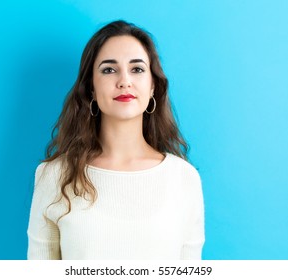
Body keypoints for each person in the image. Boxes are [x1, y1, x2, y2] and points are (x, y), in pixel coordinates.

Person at [27, 20, 205, 260]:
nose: (124, 81)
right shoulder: (53, 175)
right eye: (109, 70)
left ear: (153, 86)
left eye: (137, 69)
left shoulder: (183, 178)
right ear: (91, 86)